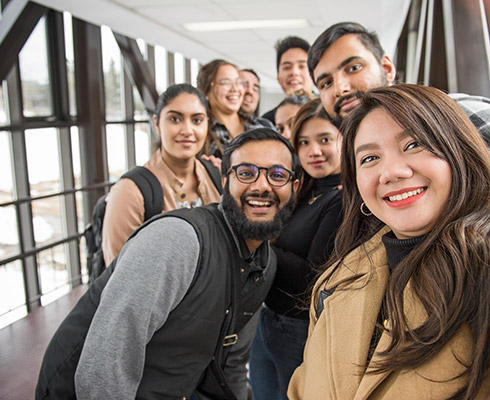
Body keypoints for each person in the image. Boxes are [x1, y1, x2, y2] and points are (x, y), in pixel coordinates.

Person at [288, 84, 490, 399]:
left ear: (460, 153)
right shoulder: (338, 280)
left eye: (414, 144)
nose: (391, 172)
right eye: (369, 158)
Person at [36, 128, 301, 400]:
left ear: (294, 188)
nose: (261, 186)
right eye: (246, 173)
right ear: (224, 181)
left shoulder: (264, 265)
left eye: (277, 175)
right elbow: (105, 364)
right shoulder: (178, 239)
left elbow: (231, 364)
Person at [307, 21, 490, 209]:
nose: (341, 87)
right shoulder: (353, 153)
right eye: (326, 82)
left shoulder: (457, 115)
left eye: (353, 68)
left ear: (388, 68)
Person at [249, 99, 344, 399]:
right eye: (303, 142)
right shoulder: (308, 189)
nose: (313, 151)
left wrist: (259, 238)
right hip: (269, 318)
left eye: (324, 139)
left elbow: (311, 278)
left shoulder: (342, 199)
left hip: (299, 329)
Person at [102, 83, 221, 266]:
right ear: (157, 123)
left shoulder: (215, 175)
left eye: (197, 120)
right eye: (175, 119)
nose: (187, 130)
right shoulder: (130, 192)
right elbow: (120, 277)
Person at [197, 59, 273, 157]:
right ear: (206, 90)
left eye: (238, 82)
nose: (235, 89)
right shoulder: (201, 132)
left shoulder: (263, 126)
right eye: (226, 82)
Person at [262, 36, 314, 124]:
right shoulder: (267, 122)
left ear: (313, 74)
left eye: (302, 66)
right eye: (287, 67)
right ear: (278, 77)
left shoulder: (329, 113)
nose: (294, 72)